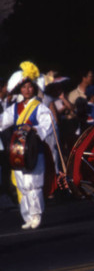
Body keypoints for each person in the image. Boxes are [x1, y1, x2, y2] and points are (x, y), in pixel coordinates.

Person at [0, 61, 56, 229]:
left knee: (34, 184)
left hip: (33, 149)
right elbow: (3, 122)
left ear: (34, 88)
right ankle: (27, 216)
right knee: (22, 184)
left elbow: (48, 123)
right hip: (18, 150)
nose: (27, 90)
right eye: (23, 88)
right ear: (20, 89)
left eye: (30, 87)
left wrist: (34, 128)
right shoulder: (14, 108)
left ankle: (36, 214)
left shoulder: (39, 107)